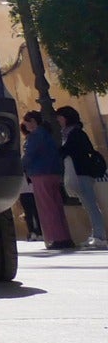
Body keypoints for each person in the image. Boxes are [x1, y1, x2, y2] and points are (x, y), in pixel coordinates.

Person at [22, 110, 75, 251]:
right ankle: (65, 236)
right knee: (56, 206)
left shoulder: (35, 136)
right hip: (53, 172)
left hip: (40, 173)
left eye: (27, 122)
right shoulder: (47, 134)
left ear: (33, 122)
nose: (25, 125)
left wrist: (20, 167)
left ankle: (56, 238)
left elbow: (29, 155)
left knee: (47, 207)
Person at [56, 105, 108, 250]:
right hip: (78, 172)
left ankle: (100, 236)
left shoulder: (76, 133)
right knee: (88, 204)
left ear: (66, 118)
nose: (58, 120)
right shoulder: (68, 133)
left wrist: (62, 151)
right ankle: (96, 234)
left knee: (91, 204)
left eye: (60, 117)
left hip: (82, 172)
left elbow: (76, 151)